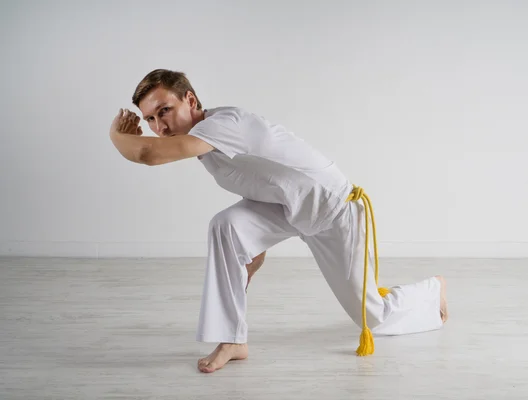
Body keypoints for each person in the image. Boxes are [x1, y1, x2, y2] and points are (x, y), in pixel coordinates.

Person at [109, 69, 448, 374]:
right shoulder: (203, 143)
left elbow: (147, 154)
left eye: (163, 111)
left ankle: (432, 290)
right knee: (226, 227)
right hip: (286, 208)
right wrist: (252, 244)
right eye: (149, 119)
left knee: (374, 317)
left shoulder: (222, 126)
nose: (158, 127)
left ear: (191, 100)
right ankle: (232, 340)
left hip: (332, 209)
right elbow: (263, 179)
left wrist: (116, 135)